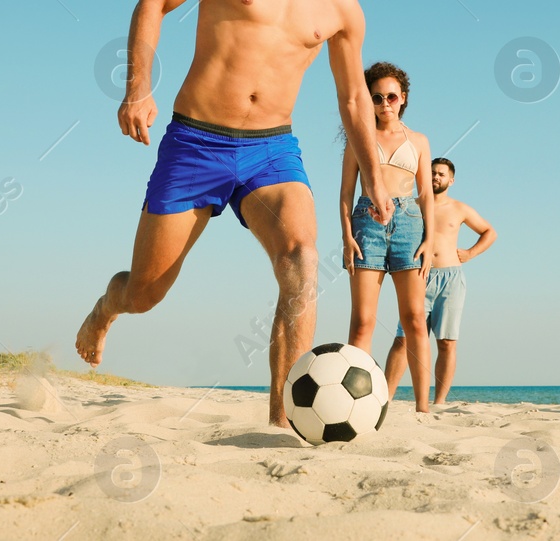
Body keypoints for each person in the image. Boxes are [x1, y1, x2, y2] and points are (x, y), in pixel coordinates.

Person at [75, 0, 393, 429]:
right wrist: (138, 88)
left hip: (272, 149)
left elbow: (354, 96)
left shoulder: (343, 11)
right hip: (196, 142)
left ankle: (283, 421)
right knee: (144, 293)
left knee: (302, 258)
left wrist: (373, 175)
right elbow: (153, 4)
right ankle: (104, 311)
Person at [340, 62, 438, 412]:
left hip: (410, 225)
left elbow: (426, 194)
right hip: (367, 224)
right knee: (363, 320)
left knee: (414, 319)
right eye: (377, 97)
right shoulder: (358, 139)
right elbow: (345, 194)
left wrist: (430, 239)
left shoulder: (420, 141)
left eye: (391, 97)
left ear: (403, 99)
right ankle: (355, 404)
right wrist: (346, 235)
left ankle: (423, 409)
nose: (385, 103)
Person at [384, 157, 495, 405]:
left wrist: (470, 253)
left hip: (451, 279)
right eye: (432, 172)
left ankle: (439, 402)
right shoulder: (411, 206)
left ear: (451, 180)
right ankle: (386, 398)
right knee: (403, 339)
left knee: (446, 342)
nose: (435, 177)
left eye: (441, 174)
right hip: (418, 276)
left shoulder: (460, 208)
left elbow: (490, 232)